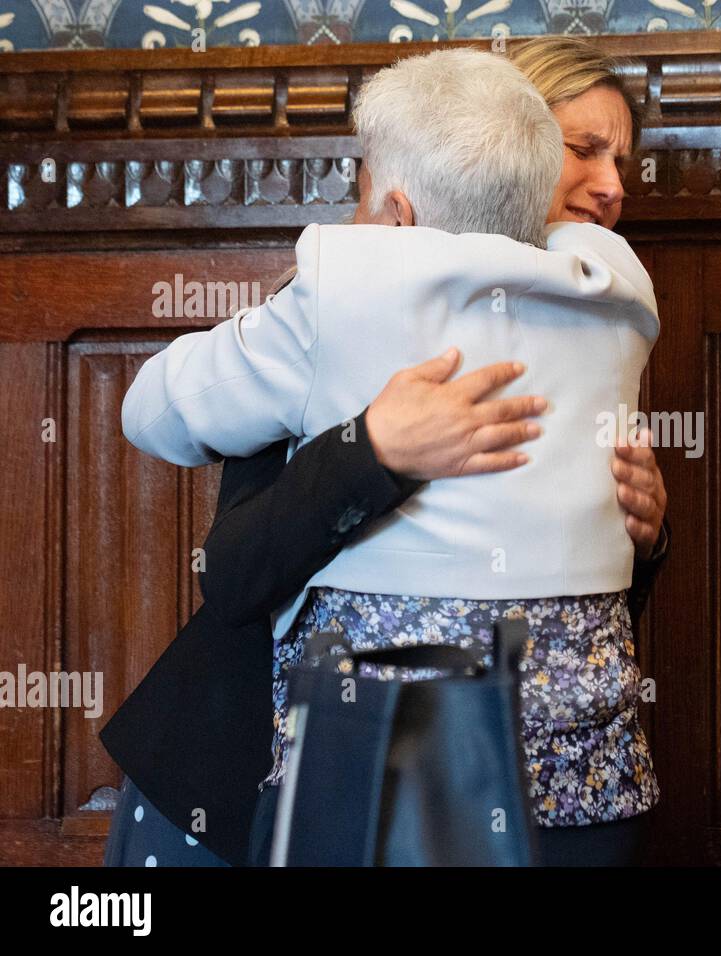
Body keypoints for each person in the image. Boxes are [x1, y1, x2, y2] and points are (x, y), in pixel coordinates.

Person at [101, 37, 669, 868]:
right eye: (579, 150)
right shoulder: (612, 292)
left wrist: (646, 534)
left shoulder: (358, 294)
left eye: (621, 158)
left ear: (397, 208)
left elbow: (155, 409)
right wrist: (372, 451)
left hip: (396, 764)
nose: (613, 185)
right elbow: (234, 573)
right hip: (248, 755)